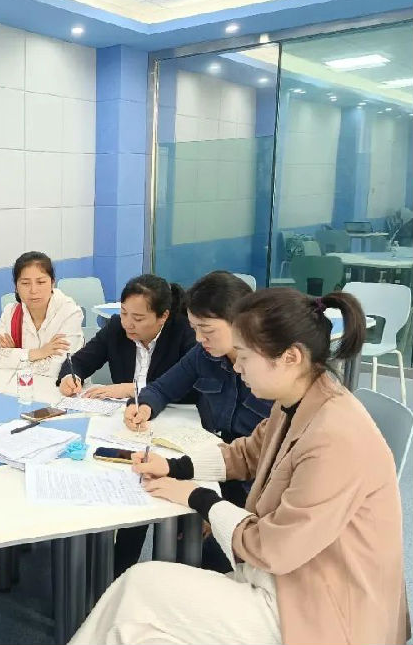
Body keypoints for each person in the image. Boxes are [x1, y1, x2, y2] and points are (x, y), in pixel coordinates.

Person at [72, 288, 407, 645]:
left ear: (291, 357)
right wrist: (173, 467)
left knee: (138, 592)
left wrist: (200, 498)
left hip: (321, 609)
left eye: (244, 356)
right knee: (137, 616)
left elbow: (273, 548)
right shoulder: (299, 400)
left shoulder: (335, 438)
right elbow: (246, 454)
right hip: (289, 579)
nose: (236, 366)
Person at [116, 271, 273, 576]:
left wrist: (217, 510)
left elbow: (267, 466)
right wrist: (144, 406)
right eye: (195, 329)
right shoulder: (205, 354)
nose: (199, 339)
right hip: (220, 467)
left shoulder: (272, 375)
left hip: (253, 494)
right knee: (152, 490)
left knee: (205, 555)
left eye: (207, 330)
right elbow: (163, 387)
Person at [57, 273, 195, 400]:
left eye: (138, 318)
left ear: (163, 316)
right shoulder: (116, 328)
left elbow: (192, 386)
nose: (128, 324)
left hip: (173, 413)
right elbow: (78, 362)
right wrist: (70, 377)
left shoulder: (184, 332)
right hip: (123, 412)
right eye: (124, 313)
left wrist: (133, 389)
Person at [0, 251, 84, 378]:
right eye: (25, 283)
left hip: (63, 388)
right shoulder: (11, 312)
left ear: (52, 283)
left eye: (41, 282)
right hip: (22, 387)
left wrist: (13, 355)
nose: (33, 290)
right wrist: (37, 353)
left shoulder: (69, 312)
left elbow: (59, 369)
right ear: (16, 287)